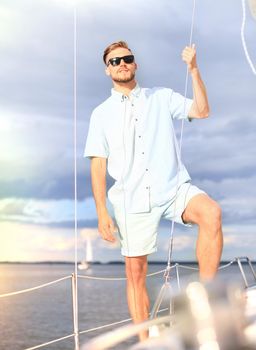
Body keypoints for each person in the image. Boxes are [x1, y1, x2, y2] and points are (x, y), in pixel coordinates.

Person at [84, 41, 223, 341]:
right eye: (114, 61)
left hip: (173, 187)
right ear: (107, 69)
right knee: (136, 275)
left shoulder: (161, 97)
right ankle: (146, 342)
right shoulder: (101, 114)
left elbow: (202, 110)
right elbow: (97, 166)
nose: (122, 63)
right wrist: (101, 213)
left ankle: (205, 306)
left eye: (127, 58)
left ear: (135, 64)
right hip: (130, 201)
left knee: (211, 213)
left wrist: (194, 70)